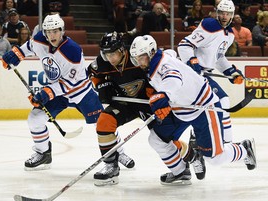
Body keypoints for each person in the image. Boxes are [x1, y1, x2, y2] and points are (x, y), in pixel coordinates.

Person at [129, 34, 257, 184]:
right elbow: (171, 53)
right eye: (136, 58)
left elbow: (173, 78)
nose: (139, 61)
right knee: (157, 139)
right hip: (181, 109)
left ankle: (244, 149)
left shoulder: (163, 66)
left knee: (215, 158)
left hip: (203, 108)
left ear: (151, 52)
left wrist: (163, 95)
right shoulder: (156, 60)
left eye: (141, 57)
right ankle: (181, 172)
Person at [88, 32, 194, 186]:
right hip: (125, 102)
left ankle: (191, 155)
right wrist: (102, 85)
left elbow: (162, 68)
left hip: (148, 103)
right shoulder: (103, 62)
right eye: (106, 54)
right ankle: (111, 166)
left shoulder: (137, 58)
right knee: (104, 122)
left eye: (113, 54)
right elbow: (92, 73)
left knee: (163, 139)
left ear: (122, 50)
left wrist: (157, 92)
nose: (110, 58)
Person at [0, 14, 103, 171]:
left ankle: (117, 153)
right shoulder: (40, 38)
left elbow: (71, 83)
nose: (51, 35)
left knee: (103, 123)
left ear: (62, 31)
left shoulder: (72, 50)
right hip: (58, 93)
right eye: (48, 32)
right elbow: (30, 46)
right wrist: (16, 54)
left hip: (81, 92)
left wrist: (45, 93)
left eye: (55, 31)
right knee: (35, 118)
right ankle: (43, 153)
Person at [177, 0, 243, 144]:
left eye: (228, 14)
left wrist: (232, 72)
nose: (224, 16)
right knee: (222, 101)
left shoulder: (230, 34)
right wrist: (193, 63)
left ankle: (200, 140)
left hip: (203, 74)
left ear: (232, 15)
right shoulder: (210, 25)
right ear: (217, 13)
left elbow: (218, 57)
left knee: (207, 107)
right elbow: (184, 45)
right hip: (191, 75)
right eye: (222, 13)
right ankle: (227, 143)